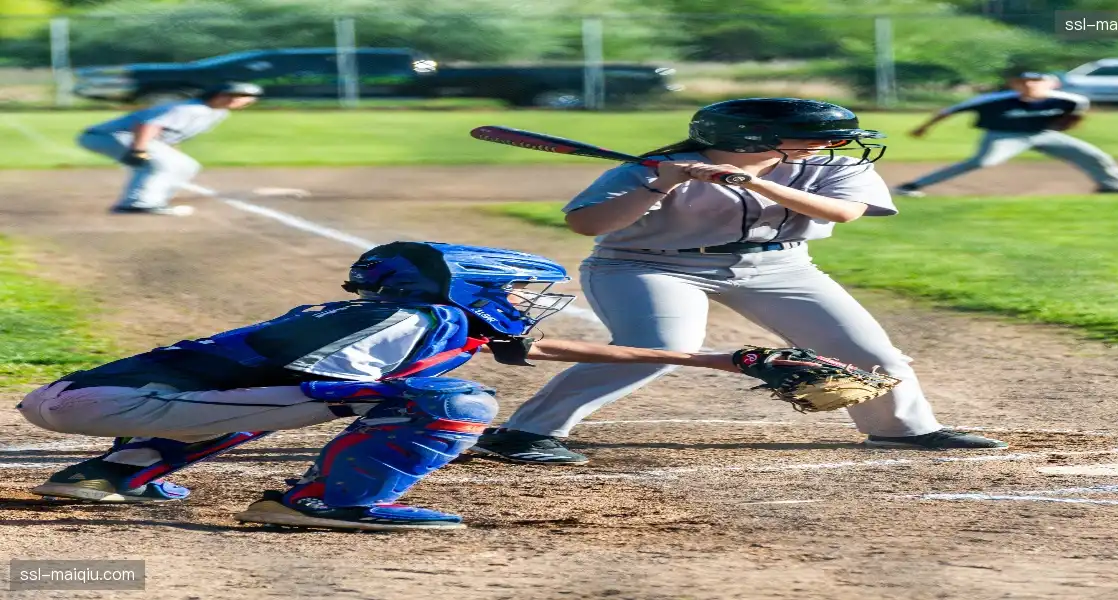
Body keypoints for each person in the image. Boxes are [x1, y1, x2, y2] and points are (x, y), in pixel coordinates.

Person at [16, 242, 812, 531]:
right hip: (132, 401)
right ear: (471, 285)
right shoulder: (419, 321)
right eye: (511, 291)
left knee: (323, 399)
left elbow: (540, 348)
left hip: (89, 397)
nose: (520, 306)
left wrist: (720, 361)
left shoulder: (407, 313)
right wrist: (391, 403)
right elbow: (321, 379)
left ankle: (110, 476)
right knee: (451, 402)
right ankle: (321, 503)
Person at [471, 97, 1008, 466]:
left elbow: (843, 213)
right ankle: (526, 432)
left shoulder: (828, 168)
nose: (832, 143)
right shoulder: (650, 170)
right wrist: (660, 185)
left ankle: (900, 429)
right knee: (660, 348)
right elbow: (585, 224)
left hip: (779, 266)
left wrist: (757, 184)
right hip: (646, 265)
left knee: (870, 355)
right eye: (815, 136)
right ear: (753, 137)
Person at [893, 70, 1118, 197]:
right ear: (1016, 85)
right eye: (1025, 82)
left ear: (1052, 84)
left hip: (1042, 134)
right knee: (982, 162)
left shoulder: (1071, 100)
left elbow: (1076, 114)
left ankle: (1114, 186)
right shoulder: (995, 100)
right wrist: (924, 127)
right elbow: (950, 110)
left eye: (1038, 81)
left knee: (1093, 155)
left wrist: (1068, 125)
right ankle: (912, 185)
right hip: (1002, 136)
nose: (1031, 85)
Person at [76, 82, 264, 217]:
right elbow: (147, 125)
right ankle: (138, 204)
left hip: (123, 136)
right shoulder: (190, 109)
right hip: (108, 136)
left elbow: (171, 135)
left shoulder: (217, 113)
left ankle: (155, 201)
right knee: (161, 165)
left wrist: (172, 153)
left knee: (187, 166)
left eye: (246, 97)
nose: (243, 100)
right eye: (238, 95)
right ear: (218, 96)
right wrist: (138, 150)